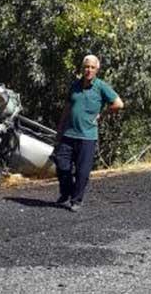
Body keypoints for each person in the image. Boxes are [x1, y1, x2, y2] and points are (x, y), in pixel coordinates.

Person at [53, 55, 123, 212]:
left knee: (82, 171)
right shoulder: (75, 86)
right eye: (86, 67)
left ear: (97, 69)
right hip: (69, 133)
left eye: (92, 67)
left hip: (87, 136)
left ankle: (76, 200)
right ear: (82, 68)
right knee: (61, 164)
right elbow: (67, 108)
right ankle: (66, 193)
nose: (88, 70)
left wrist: (102, 115)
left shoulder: (101, 86)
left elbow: (118, 104)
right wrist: (60, 129)